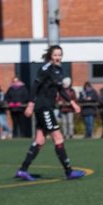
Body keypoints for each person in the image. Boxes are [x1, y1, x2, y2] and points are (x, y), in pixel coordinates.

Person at [14, 45, 85, 181]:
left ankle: (23, 170)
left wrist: (72, 102)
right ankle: (69, 171)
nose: (58, 57)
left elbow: (60, 89)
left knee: (40, 140)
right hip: (43, 106)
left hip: (46, 107)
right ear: (50, 56)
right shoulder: (45, 69)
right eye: (55, 55)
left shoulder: (59, 70)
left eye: (60, 55)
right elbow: (35, 86)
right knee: (58, 138)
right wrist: (30, 104)